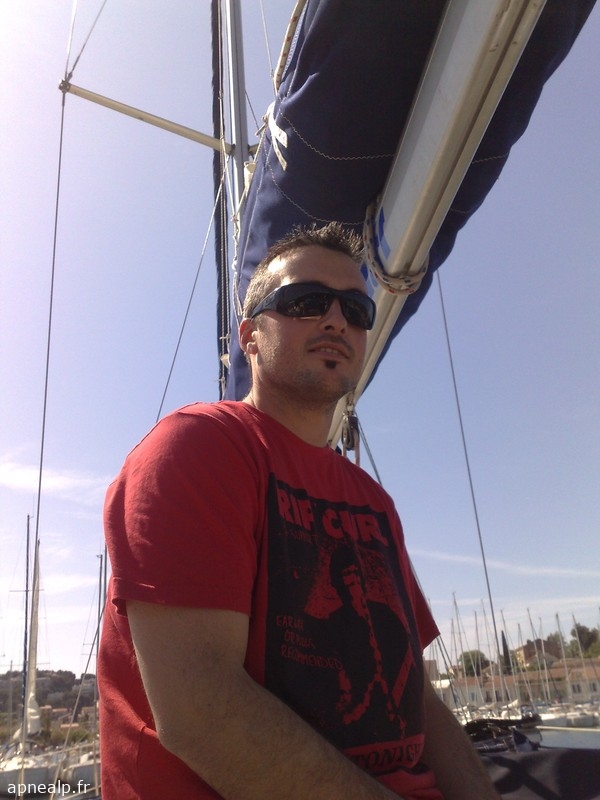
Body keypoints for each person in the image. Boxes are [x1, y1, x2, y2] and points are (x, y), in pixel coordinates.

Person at [98, 223, 501, 799]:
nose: (337, 320)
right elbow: (200, 712)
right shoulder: (196, 449)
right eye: (306, 301)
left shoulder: (374, 502)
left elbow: (418, 698)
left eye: (357, 310)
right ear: (250, 336)